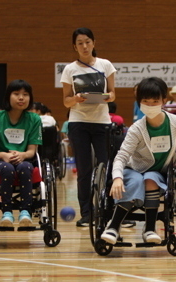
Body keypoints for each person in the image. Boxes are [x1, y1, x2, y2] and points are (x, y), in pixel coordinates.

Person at [100, 77, 176, 244]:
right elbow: (121, 156)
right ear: (139, 102)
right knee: (136, 180)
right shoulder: (137, 128)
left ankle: (149, 229)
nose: (150, 105)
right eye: (146, 101)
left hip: (158, 171)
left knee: (151, 179)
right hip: (134, 169)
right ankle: (113, 226)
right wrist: (117, 178)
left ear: (164, 101)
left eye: (155, 101)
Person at [60, 27, 116, 227]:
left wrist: (106, 97)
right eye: (80, 43)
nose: (84, 46)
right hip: (79, 123)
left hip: (102, 122)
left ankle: (109, 210)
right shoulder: (70, 69)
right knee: (84, 169)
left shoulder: (105, 65)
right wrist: (75, 99)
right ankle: (86, 213)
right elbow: (66, 101)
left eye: (87, 42)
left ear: (93, 42)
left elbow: (113, 94)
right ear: (75, 47)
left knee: (107, 167)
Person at [0, 79, 42, 228]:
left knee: (25, 167)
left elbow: (32, 151)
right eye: (16, 94)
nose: (21, 98)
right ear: (8, 96)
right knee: (7, 168)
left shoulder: (34, 119)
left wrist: (22, 155)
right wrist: (4, 155)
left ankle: (25, 212)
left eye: (25, 94)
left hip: (25, 161)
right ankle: (6, 212)